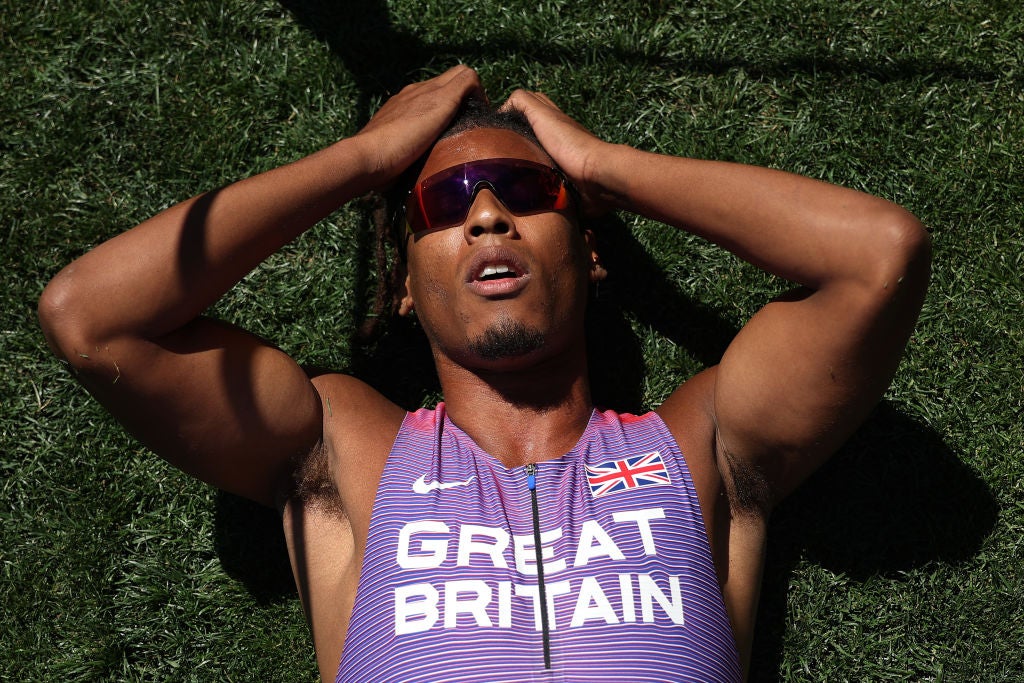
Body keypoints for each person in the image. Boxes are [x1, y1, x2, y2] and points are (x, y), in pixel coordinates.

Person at [38, 65, 930, 682]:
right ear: (401, 290)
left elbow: (878, 256)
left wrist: (602, 169)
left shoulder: (699, 443)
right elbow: (93, 319)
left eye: (527, 191)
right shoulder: (346, 442)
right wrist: (367, 161)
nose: (489, 217)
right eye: (444, 204)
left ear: (589, 252)